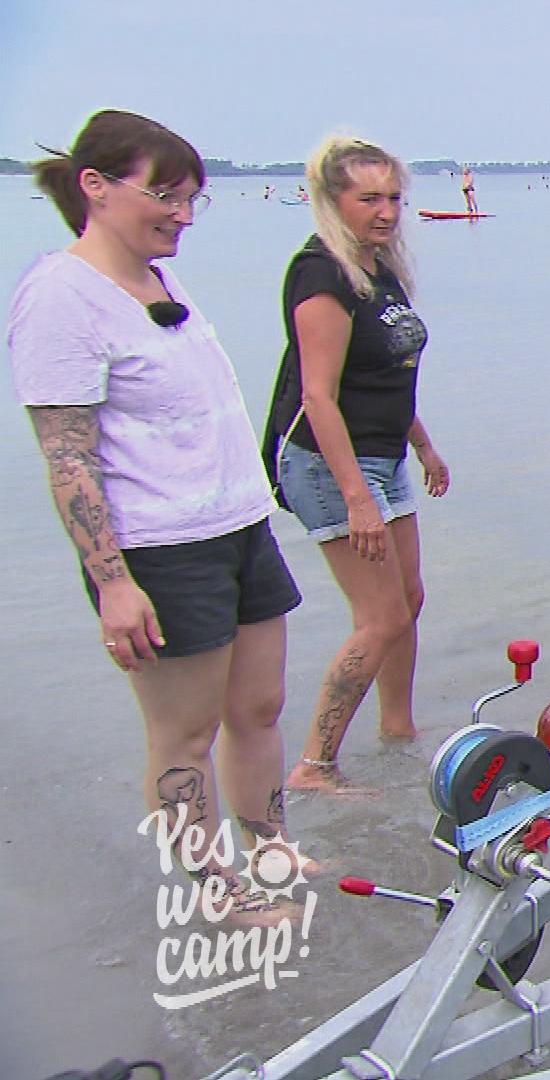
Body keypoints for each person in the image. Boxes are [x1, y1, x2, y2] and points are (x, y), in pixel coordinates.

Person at [7, 110, 303, 918]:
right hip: (161, 551)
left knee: (259, 709)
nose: (181, 213)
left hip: (237, 527)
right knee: (184, 738)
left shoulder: (155, 277)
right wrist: (113, 584)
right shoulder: (61, 297)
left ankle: (270, 849)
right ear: (95, 189)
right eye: (165, 194)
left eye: (191, 199)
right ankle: (217, 891)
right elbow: (68, 456)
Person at [265, 137, 449, 793]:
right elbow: (318, 396)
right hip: (326, 463)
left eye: (394, 197)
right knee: (381, 618)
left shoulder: (380, 271)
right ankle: (314, 764)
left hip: (384, 453)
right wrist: (356, 497)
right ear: (331, 201)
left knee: (409, 601)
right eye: (368, 198)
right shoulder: (323, 276)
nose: (386, 211)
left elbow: (386, 375)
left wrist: (423, 444)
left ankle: (397, 731)